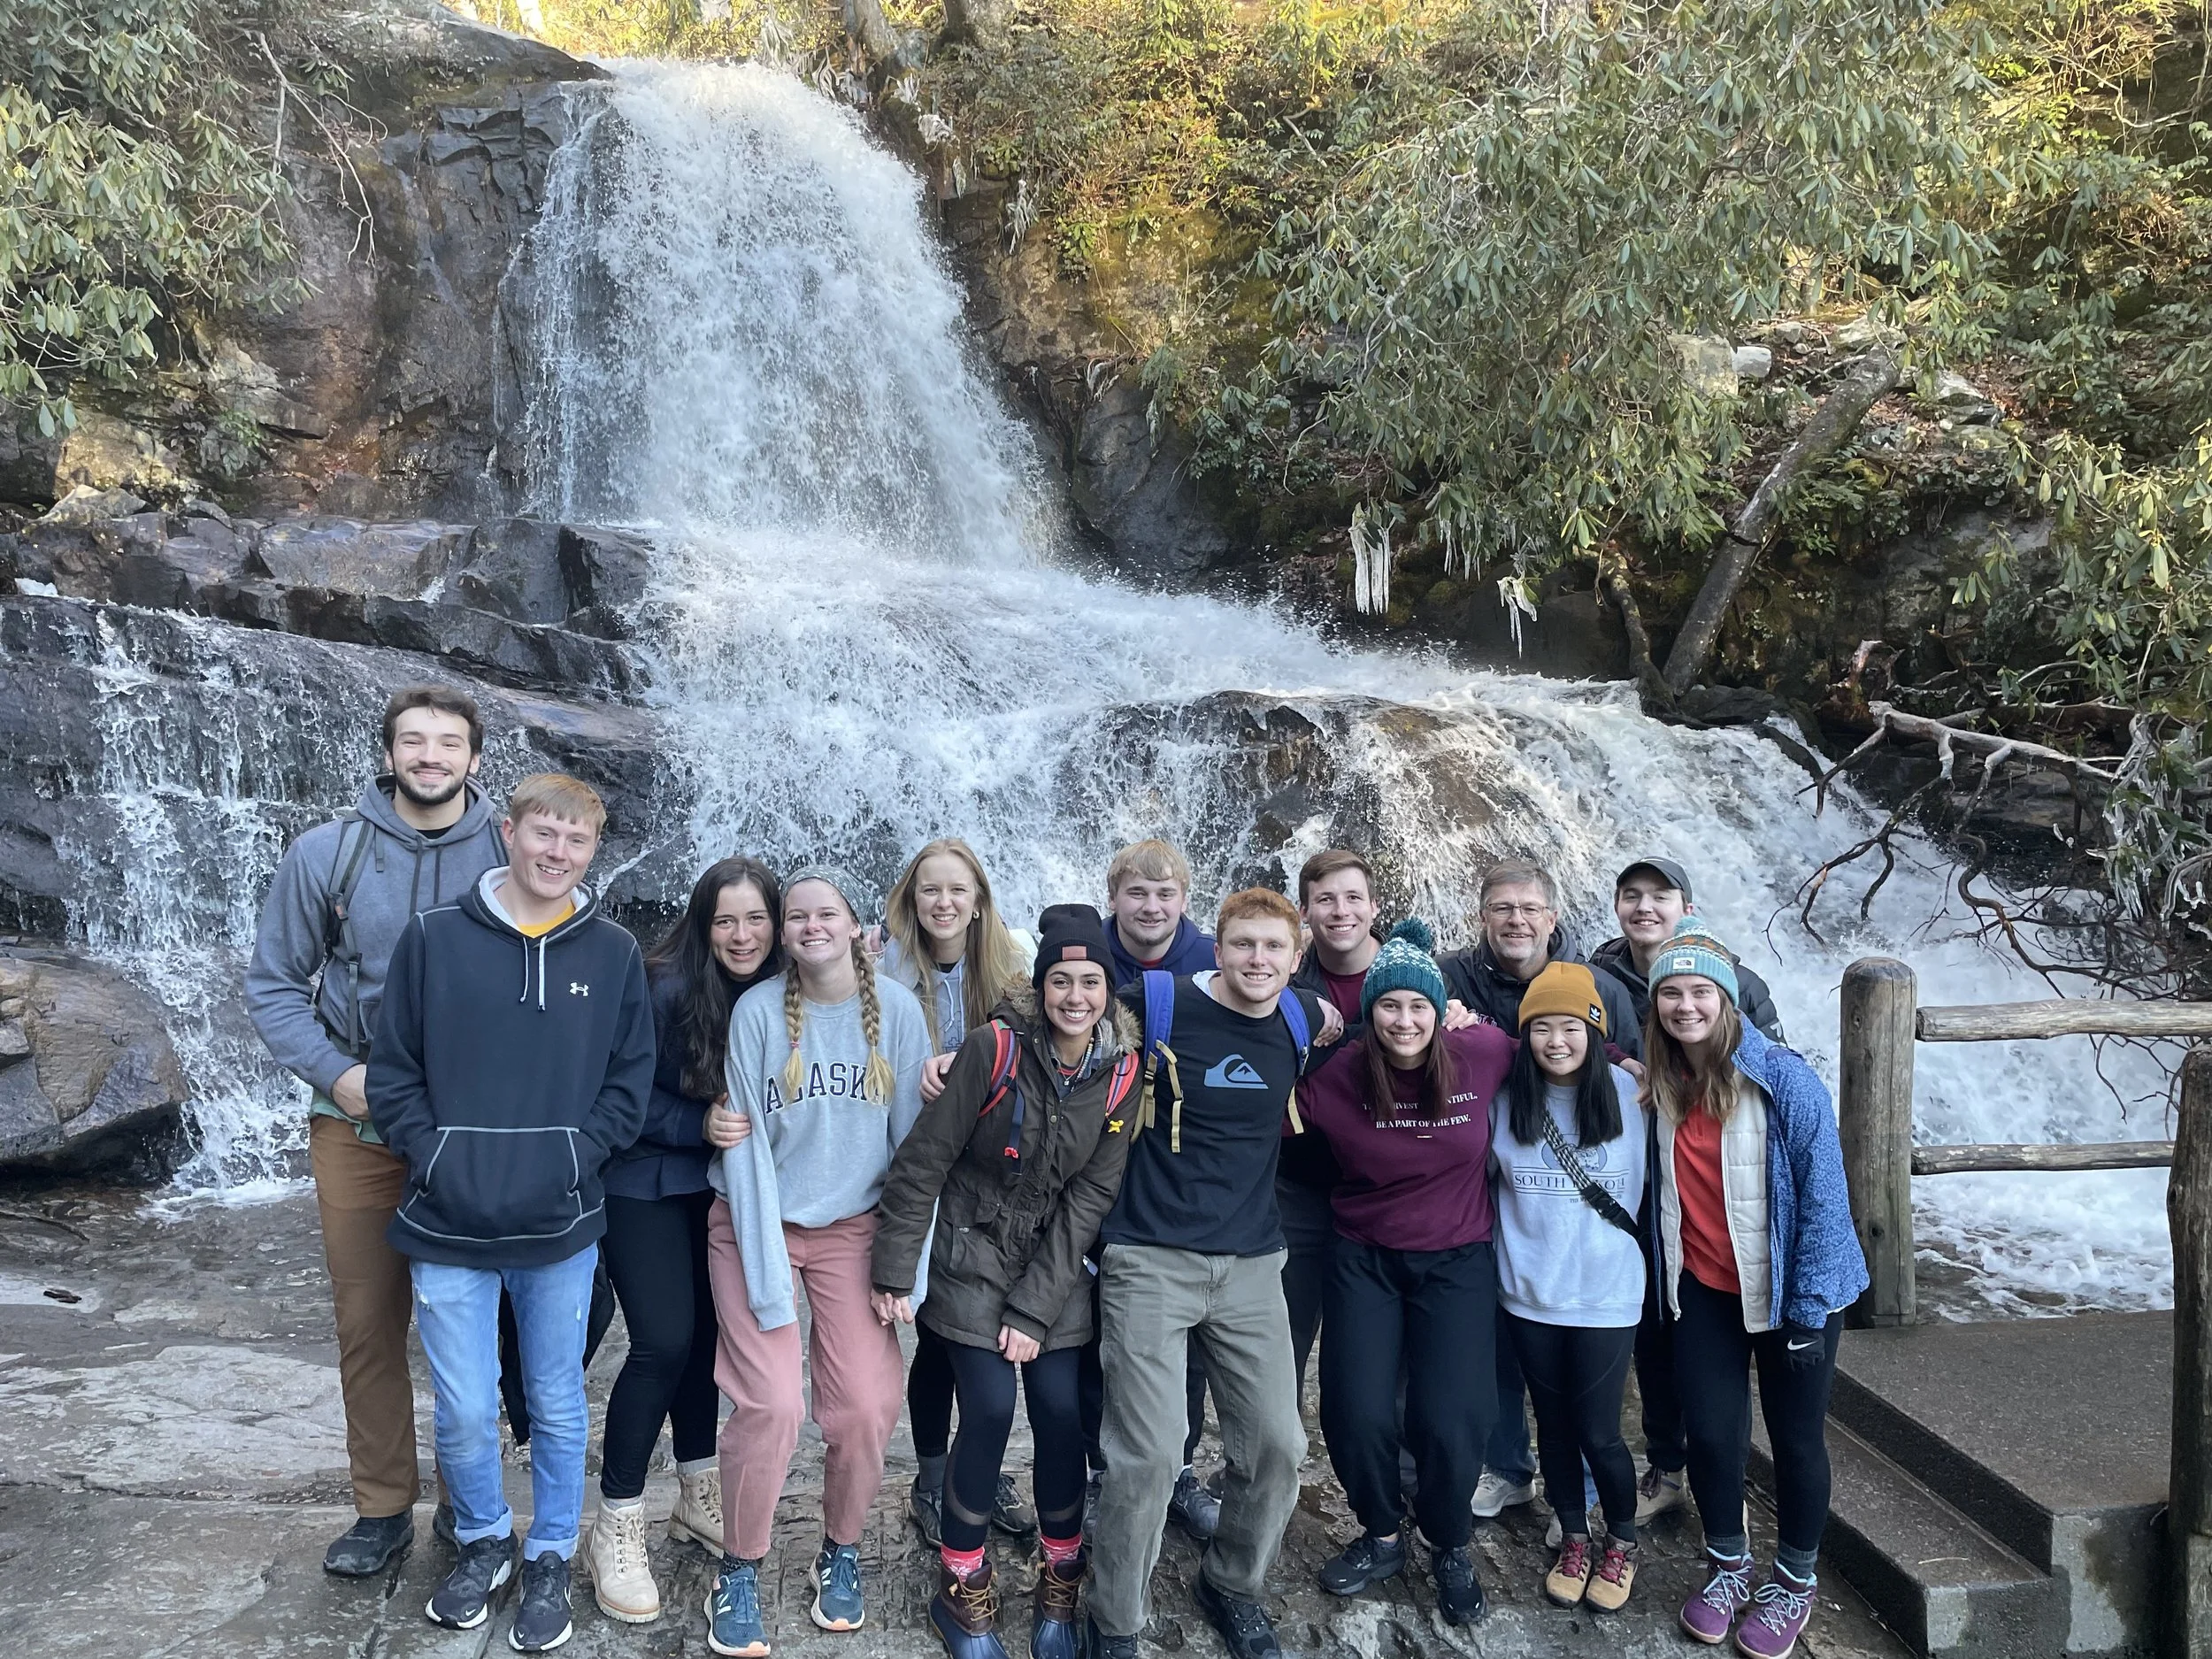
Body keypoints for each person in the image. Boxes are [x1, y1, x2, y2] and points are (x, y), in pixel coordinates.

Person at [367, 772, 654, 1653]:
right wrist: (437, 1154)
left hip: (559, 1221)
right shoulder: (432, 940)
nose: (556, 852)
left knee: (558, 1400)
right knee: (461, 1405)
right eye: (543, 833)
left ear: (590, 852)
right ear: (508, 830)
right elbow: (392, 1071)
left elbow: (627, 1081)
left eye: (574, 841)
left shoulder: (612, 954)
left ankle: (550, 1553)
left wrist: (573, 1157)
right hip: (446, 1217)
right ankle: (486, 1541)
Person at [246, 684, 509, 1578]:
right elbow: (275, 985)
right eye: (413, 741)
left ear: (476, 759)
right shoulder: (328, 854)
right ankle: (383, 1509)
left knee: (475, 1325)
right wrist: (339, 1076)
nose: (430, 756)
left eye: (448, 743)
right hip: (357, 1126)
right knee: (370, 1322)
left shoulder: (518, 852)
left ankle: (472, 1507)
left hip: (477, 1130)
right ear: (388, 753)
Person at [872, 904, 1141, 1659]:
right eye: (1062, 979)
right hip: (969, 1251)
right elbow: (925, 1160)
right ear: (1041, 983)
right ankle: (961, 1583)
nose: (1076, 996)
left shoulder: (1122, 1071)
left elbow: (1091, 1196)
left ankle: (1061, 1573)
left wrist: (1033, 1305)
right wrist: (895, 1269)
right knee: (988, 1406)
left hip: (1053, 1267)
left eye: (1090, 981)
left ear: (1106, 990)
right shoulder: (993, 1047)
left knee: (1059, 1407)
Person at [1087, 888, 1328, 1659]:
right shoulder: (1155, 1001)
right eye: (1244, 945)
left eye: (1274, 949)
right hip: (1150, 1254)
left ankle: (1231, 1580)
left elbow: (1369, 1016)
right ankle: (1114, 1618)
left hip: (1254, 1260)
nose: (1259, 961)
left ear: (1297, 957)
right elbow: (1063, 1017)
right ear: (1215, 947)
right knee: (1151, 1452)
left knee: (1279, 1445)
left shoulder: (1303, 1018)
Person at [703, 868, 933, 1657]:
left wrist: (908, 1271)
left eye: (824, 911)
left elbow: (916, 1151)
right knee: (771, 1402)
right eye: (794, 915)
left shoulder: (897, 1014)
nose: (809, 925)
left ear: (854, 922)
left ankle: (840, 1549)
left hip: (855, 1228)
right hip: (754, 1219)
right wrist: (771, 1285)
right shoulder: (759, 1011)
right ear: (782, 931)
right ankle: (738, 1564)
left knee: (866, 1405)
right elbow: (746, 1152)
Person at [1644, 921, 1868, 1657]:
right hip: (1705, 1286)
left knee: (1797, 1438)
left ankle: (1795, 1580)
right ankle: (1729, 1565)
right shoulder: (1658, 1083)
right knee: (1711, 1434)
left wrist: (1807, 1312)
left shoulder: (1784, 1078)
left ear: (1728, 999)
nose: (1685, 1005)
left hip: (1789, 1293)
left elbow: (1826, 1200)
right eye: (1671, 992)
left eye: (1700, 991)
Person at [1295, 919, 1512, 1625]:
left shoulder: (1478, 1050)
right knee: (1354, 1409)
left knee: (1454, 1417)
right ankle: (1382, 1531)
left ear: (1439, 1008)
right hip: (1365, 1255)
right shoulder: (1337, 1074)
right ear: (1371, 1012)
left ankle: (1447, 1539)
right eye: (1390, 1005)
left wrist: (1627, 1061)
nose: (1405, 1019)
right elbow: (1261, 1099)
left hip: (1457, 1258)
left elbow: (1557, 1042)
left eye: (1419, 1005)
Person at [585, 857, 784, 1624]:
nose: (742, 934)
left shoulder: (778, 994)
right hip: (639, 1180)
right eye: (725, 920)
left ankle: (699, 1491)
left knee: (706, 1342)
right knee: (662, 1343)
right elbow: (614, 1097)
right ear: (702, 923)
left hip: (716, 1186)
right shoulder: (662, 983)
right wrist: (693, 1124)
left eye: (757, 919)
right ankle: (619, 1520)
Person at [1439, 856, 1640, 1527]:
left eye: (1529, 909)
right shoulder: (1453, 977)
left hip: (1597, 1244)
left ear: (1554, 918)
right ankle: (1509, 1468)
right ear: (1482, 916)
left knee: (1586, 1401)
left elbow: (1640, 1070)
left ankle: (1583, 1500)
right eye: (1502, 908)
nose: (1516, 919)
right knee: (1502, 1354)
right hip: (1509, 1214)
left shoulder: (1604, 993)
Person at [1589, 856, 1785, 1530]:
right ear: (1616, 905)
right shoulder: (1602, 975)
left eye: (1660, 895)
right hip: (1632, 1187)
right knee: (1655, 1334)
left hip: (1715, 1192)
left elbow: (1775, 1086)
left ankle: (1721, 1485)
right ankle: (1667, 1467)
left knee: (1718, 1353)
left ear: (1685, 904)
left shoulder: (1737, 983)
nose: (1645, 907)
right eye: (1632, 896)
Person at [881, 838, 1038, 1550]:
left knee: (975, 1329)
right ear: (912, 900)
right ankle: (931, 1474)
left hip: (985, 1176)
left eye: (957, 889)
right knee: (939, 1336)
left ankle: (981, 1468)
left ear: (978, 900)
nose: (943, 902)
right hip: (914, 1164)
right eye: (929, 890)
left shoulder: (1013, 968)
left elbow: (1042, 1039)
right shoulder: (884, 965)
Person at [1493, 962, 1647, 1613]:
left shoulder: (1632, 1092)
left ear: (1594, 1030)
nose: (1556, 1040)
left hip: (1605, 1294)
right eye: (1541, 1027)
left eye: (1571, 1027)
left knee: (1600, 1432)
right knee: (1551, 1427)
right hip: (1529, 1291)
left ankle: (1622, 1539)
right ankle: (1574, 1536)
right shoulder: (1506, 1096)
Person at [1080, 838, 1223, 1543]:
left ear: (1185, 901)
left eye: (1165, 894)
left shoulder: (1215, 961)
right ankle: (1099, 1467)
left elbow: (1281, 996)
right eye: (1138, 892)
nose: (1151, 906)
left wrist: (1316, 1010)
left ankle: (1181, 1469)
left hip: (1181, 1171)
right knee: (1091, 1330)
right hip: (1095, 1167)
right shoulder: (1086, 957)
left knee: (1181, 1333)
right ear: (1114, 896)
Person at [1282, 848, 1380, 1394]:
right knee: (1285, 1335)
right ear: (1305, 912)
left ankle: (1398, 1473)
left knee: (1376, 1343)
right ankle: (1268, 1472)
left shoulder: (1414, 979)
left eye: (1351, 899)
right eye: (1325, 900)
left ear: (1373, 906)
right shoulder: (1281, 977)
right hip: (1296, 1182)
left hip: (1384, 1187)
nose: (1340, 912)